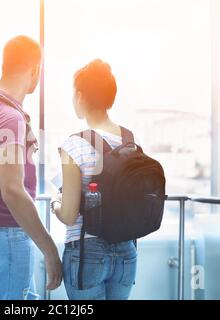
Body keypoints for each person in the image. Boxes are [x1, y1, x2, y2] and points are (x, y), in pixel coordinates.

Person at [0, 35, 62, 300]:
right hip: (5, 233)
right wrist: (49, 249)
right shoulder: (8, 117)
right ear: (35, 71)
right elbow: (12, 191)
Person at [51, 59, 137, 300]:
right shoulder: (130, 141)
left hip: (87, 255)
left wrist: (55, 202)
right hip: (126, 253)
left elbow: (68, 215)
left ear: (79, 96)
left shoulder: (73, 145)